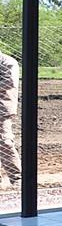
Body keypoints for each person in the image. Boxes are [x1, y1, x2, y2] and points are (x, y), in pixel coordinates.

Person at [0, 44, 18, 186]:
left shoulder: (8, 62)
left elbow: (9, 82)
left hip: (2, 107)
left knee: (5, 142)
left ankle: (17, 178)